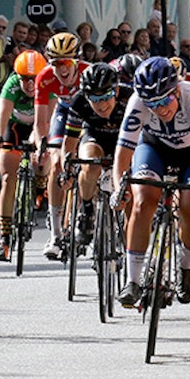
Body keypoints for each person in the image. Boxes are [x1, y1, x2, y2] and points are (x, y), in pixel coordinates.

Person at [112, 56, 190, 308]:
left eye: (165, 100)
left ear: (177, 90)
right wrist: (119, 188)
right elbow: (123, 153)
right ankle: (133, 280)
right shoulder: (138, 102)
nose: (160, 109)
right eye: (153, 104)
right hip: (153, 148)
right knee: (142, 201)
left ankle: (186, 267)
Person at [59, 61, 133, 244]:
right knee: (90, 165)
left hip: (124, 141)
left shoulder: (130, 98)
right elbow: (69, 142)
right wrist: (66, 171)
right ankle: (86, 210)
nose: (101, 105)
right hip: (94, 137)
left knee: (130, 180)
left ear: (115, 92)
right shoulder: (78, 102)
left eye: (106, 97)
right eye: (94, 98)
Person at [32, 32, 91, 259]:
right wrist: (41, 148)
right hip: (64, 113)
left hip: (87, 115)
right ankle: (55, 234)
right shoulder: (45, 77)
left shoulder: (89, 73)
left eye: (67, 63)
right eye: (56, 63)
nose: (62, 69)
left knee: (89, 160)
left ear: (76, 61)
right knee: (57, 163)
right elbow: (40, 122)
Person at [0, 50, 47, 260]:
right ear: (18, 76)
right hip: (15, 127)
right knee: (8, 177)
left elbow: (45, 123)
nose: (30, 85)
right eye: (25, 79)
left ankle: (41, 184)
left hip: (39, 124)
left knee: (42, 158)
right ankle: (5, 237)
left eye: (34, 79)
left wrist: (39, 143)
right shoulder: (12, 85)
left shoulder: (46, 84)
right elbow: (2, 116)